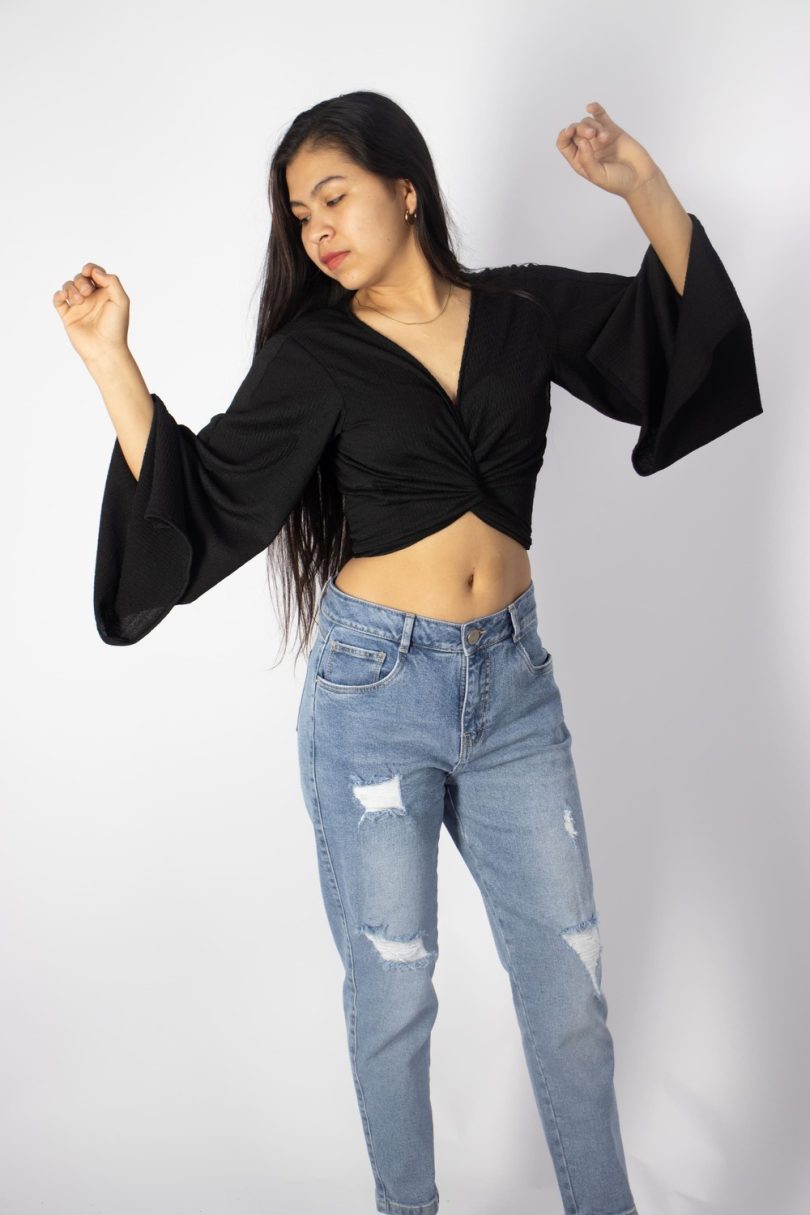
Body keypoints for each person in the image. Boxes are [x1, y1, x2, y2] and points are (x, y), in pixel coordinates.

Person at [53, 91, 762, 1215]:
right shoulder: (314, 356)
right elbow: (205, 496)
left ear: (406, 188)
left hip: (515, 691)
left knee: (570, 1000)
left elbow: (676, 339)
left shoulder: (519, 311)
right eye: (299, 216)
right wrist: (110, 362)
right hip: (374, 696)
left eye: (334, 197)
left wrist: (641, 186)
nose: (317, 230)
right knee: (394, 1000)